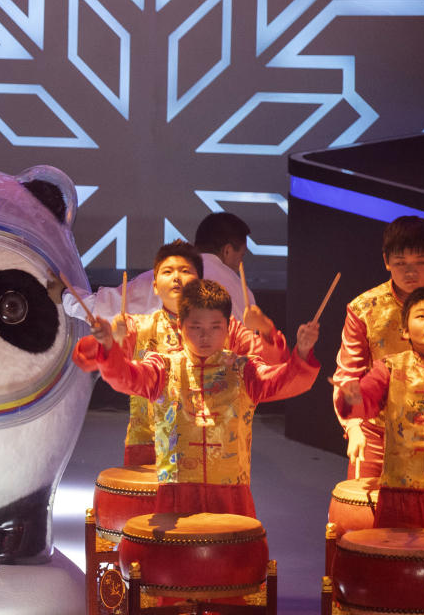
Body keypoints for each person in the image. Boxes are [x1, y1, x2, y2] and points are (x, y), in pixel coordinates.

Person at [75, 279, 320, 517]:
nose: (205, 337)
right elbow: (125, 377)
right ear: (180, 326)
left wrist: (302, 351)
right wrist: (108, 345)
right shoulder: (163, 367)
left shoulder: (243, 370)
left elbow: (287, 381)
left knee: (236, 557)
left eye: (215, 327)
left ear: (228, 327)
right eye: (196, 328)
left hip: (233, 495)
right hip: (175, 493)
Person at [72, 241, 289, 465]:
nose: (177, 277)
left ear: (200, 282)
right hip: (150, 445)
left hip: (215, 447)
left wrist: (266, 329)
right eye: (168, 271)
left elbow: (272, 364)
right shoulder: (137, 327)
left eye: (185, 271)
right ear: (155, 286)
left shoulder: (226, 328)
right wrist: (110, 340)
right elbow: (89, 360)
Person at [332, 216, 424, 479]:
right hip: (378, 435)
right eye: (400, 264)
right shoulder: (363, 309)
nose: (411, 272)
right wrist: (353, 427)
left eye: (420, 262)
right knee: (365, 517)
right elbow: (349, 373)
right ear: (386, 261)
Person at [336, 287, 424, 537]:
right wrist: (351, 398)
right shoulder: (389, 367)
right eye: (421, 316)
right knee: (396, 563)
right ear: (404, 330)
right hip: (400, 493)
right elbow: (366, 397)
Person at [194, 212, 254, 323]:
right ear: (227, 251)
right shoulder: (242, 292)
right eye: (242, 255)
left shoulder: (155, 278)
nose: (241, 263)